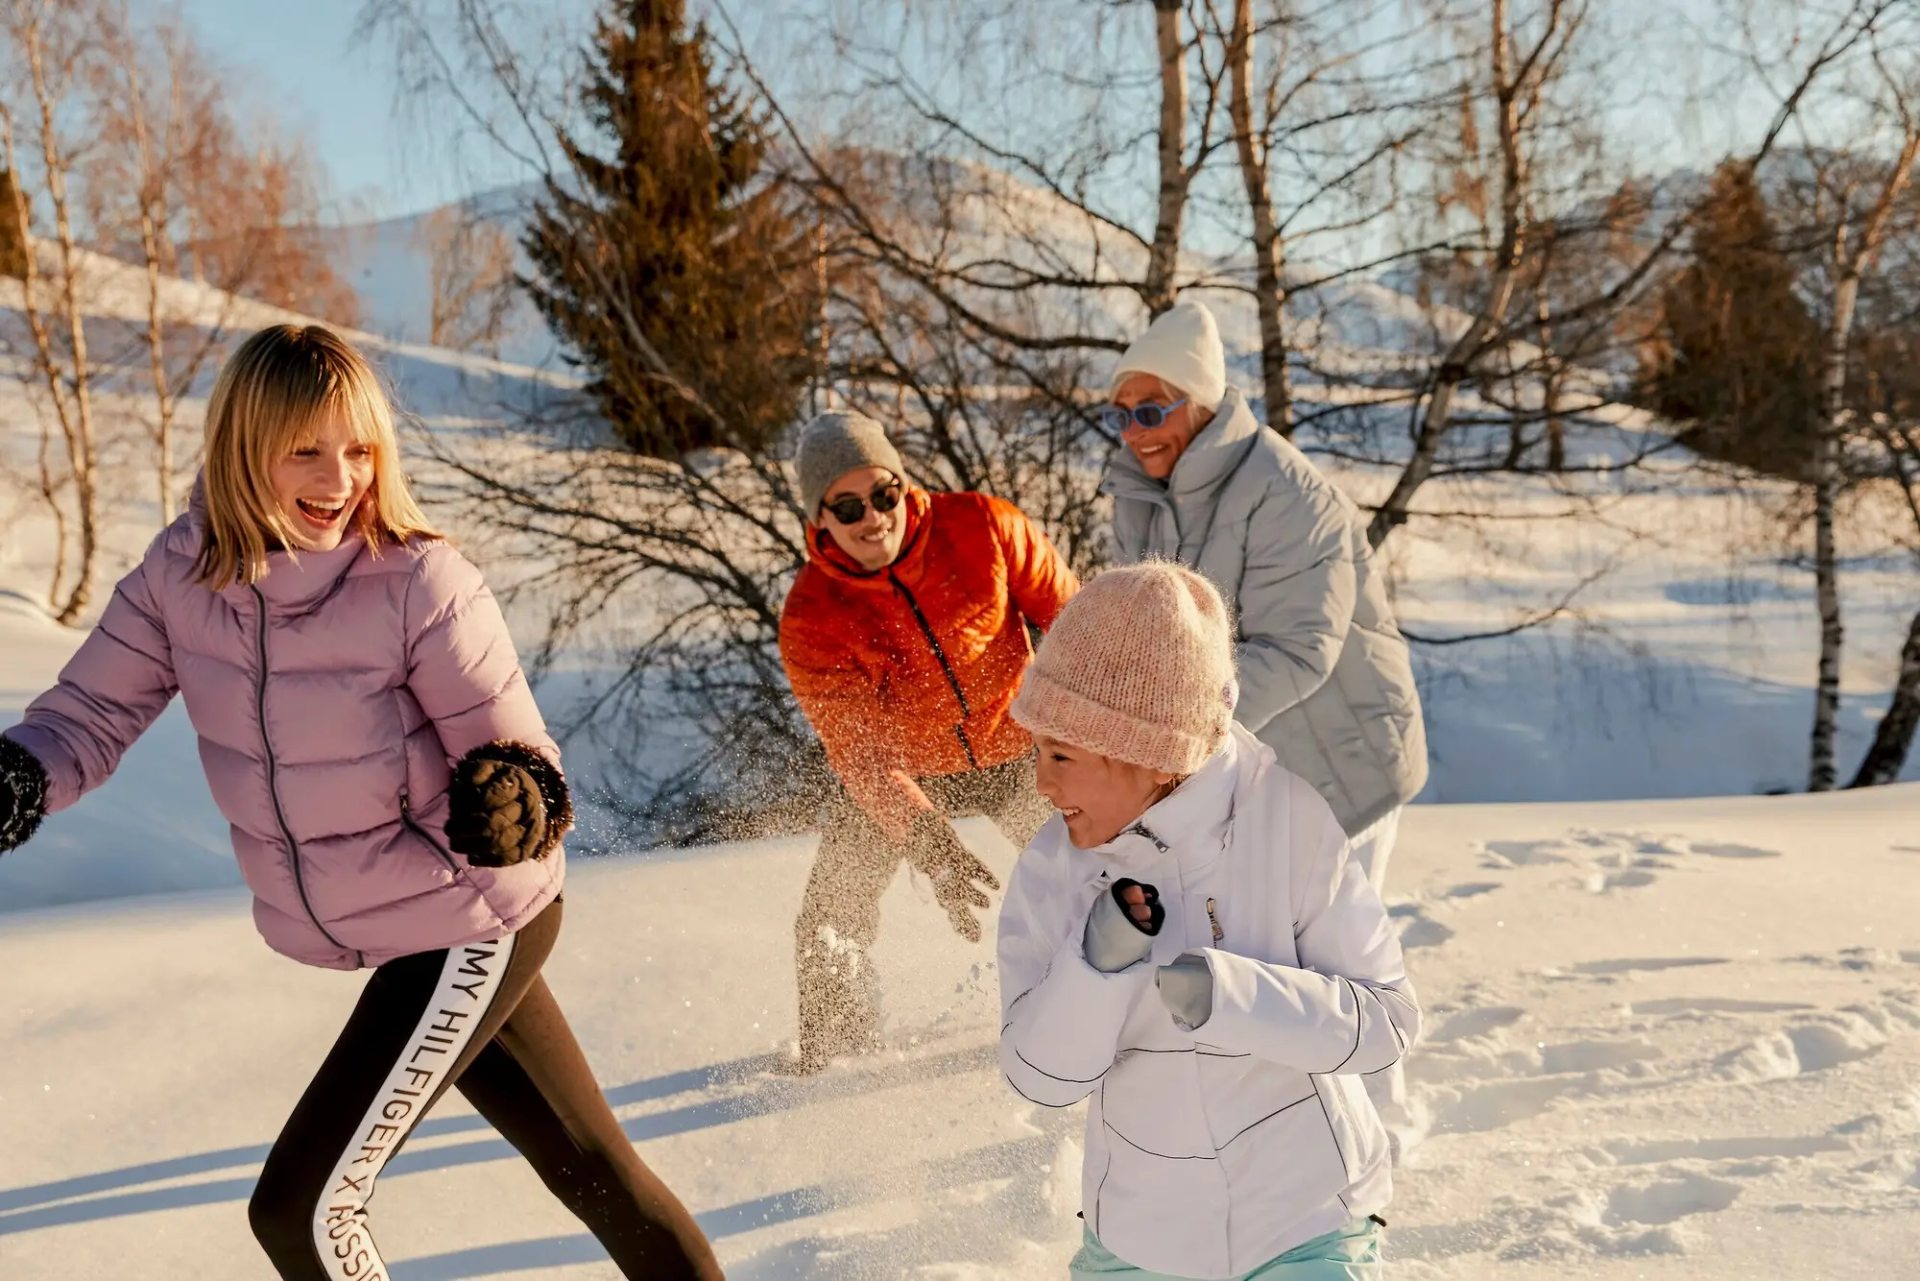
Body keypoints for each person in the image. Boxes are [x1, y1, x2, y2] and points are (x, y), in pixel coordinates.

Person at [0, 326, 720, 1280]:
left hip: (474, 916)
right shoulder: (182, 578)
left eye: (360, 448)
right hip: (407, 924)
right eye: (305, 447)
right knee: (590, 1169)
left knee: (301, 1210)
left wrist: (515, 795)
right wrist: (18, 776)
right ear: (241, 446)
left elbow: (512, 745)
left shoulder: (418, 580)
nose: (338, 477)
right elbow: (90, 712)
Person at [997, 563, 1421, 1280]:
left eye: (1060, 754)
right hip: (1138, 1239)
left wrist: (1231, 996)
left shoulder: (1286, 822)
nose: (1040, 782)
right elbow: (1040, 1081)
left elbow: (1388, 1021)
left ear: (1145, 751)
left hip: (1303, 1221)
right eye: (1036, 750)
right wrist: (1093, 970)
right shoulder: (1054, 867)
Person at [1101, 299, 1428, 1134]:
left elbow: (1299, 651)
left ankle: (1374, 1138)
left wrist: (1175, 728)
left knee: (1333, 965)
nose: (1136, 430)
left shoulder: (1287, 493)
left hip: (1339, 759)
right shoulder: (1143, 494)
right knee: (1268, 963)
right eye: (1122, 411)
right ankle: (1288, 1135)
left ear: (1200, 402)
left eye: (1153, 408)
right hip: (1251, 761)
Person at [779, 410, 1078, 1072]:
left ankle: (1116, 1008)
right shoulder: (812, 614)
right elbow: (860, 755)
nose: (872, 517)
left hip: (1018, 750)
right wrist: (928, 840)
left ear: (904, 485)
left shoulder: (984, 527)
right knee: (831, 913)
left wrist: (1088, 739)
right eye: (848, 505)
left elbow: (1076, 622)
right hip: (906, 775)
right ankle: (830, 1059)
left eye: (884, 493)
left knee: (1099, 867)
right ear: (819, 517)